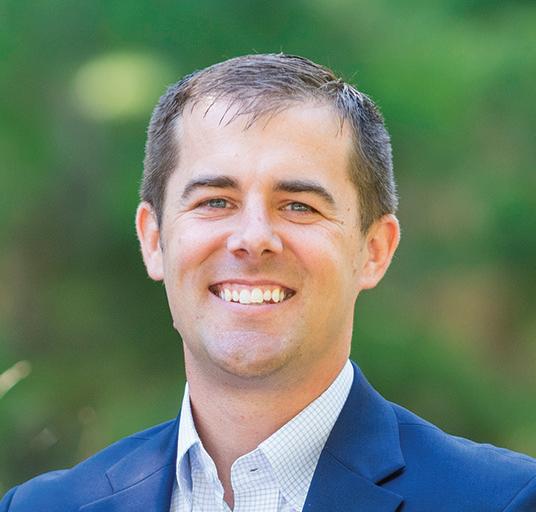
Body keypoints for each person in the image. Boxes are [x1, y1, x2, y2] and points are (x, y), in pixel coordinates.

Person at [1, 53, 535, 512]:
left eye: (298, 205)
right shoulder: (41, 507)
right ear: (154, 239)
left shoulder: (503, 500)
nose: (253, 238)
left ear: (374, 250)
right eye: (215, 201)